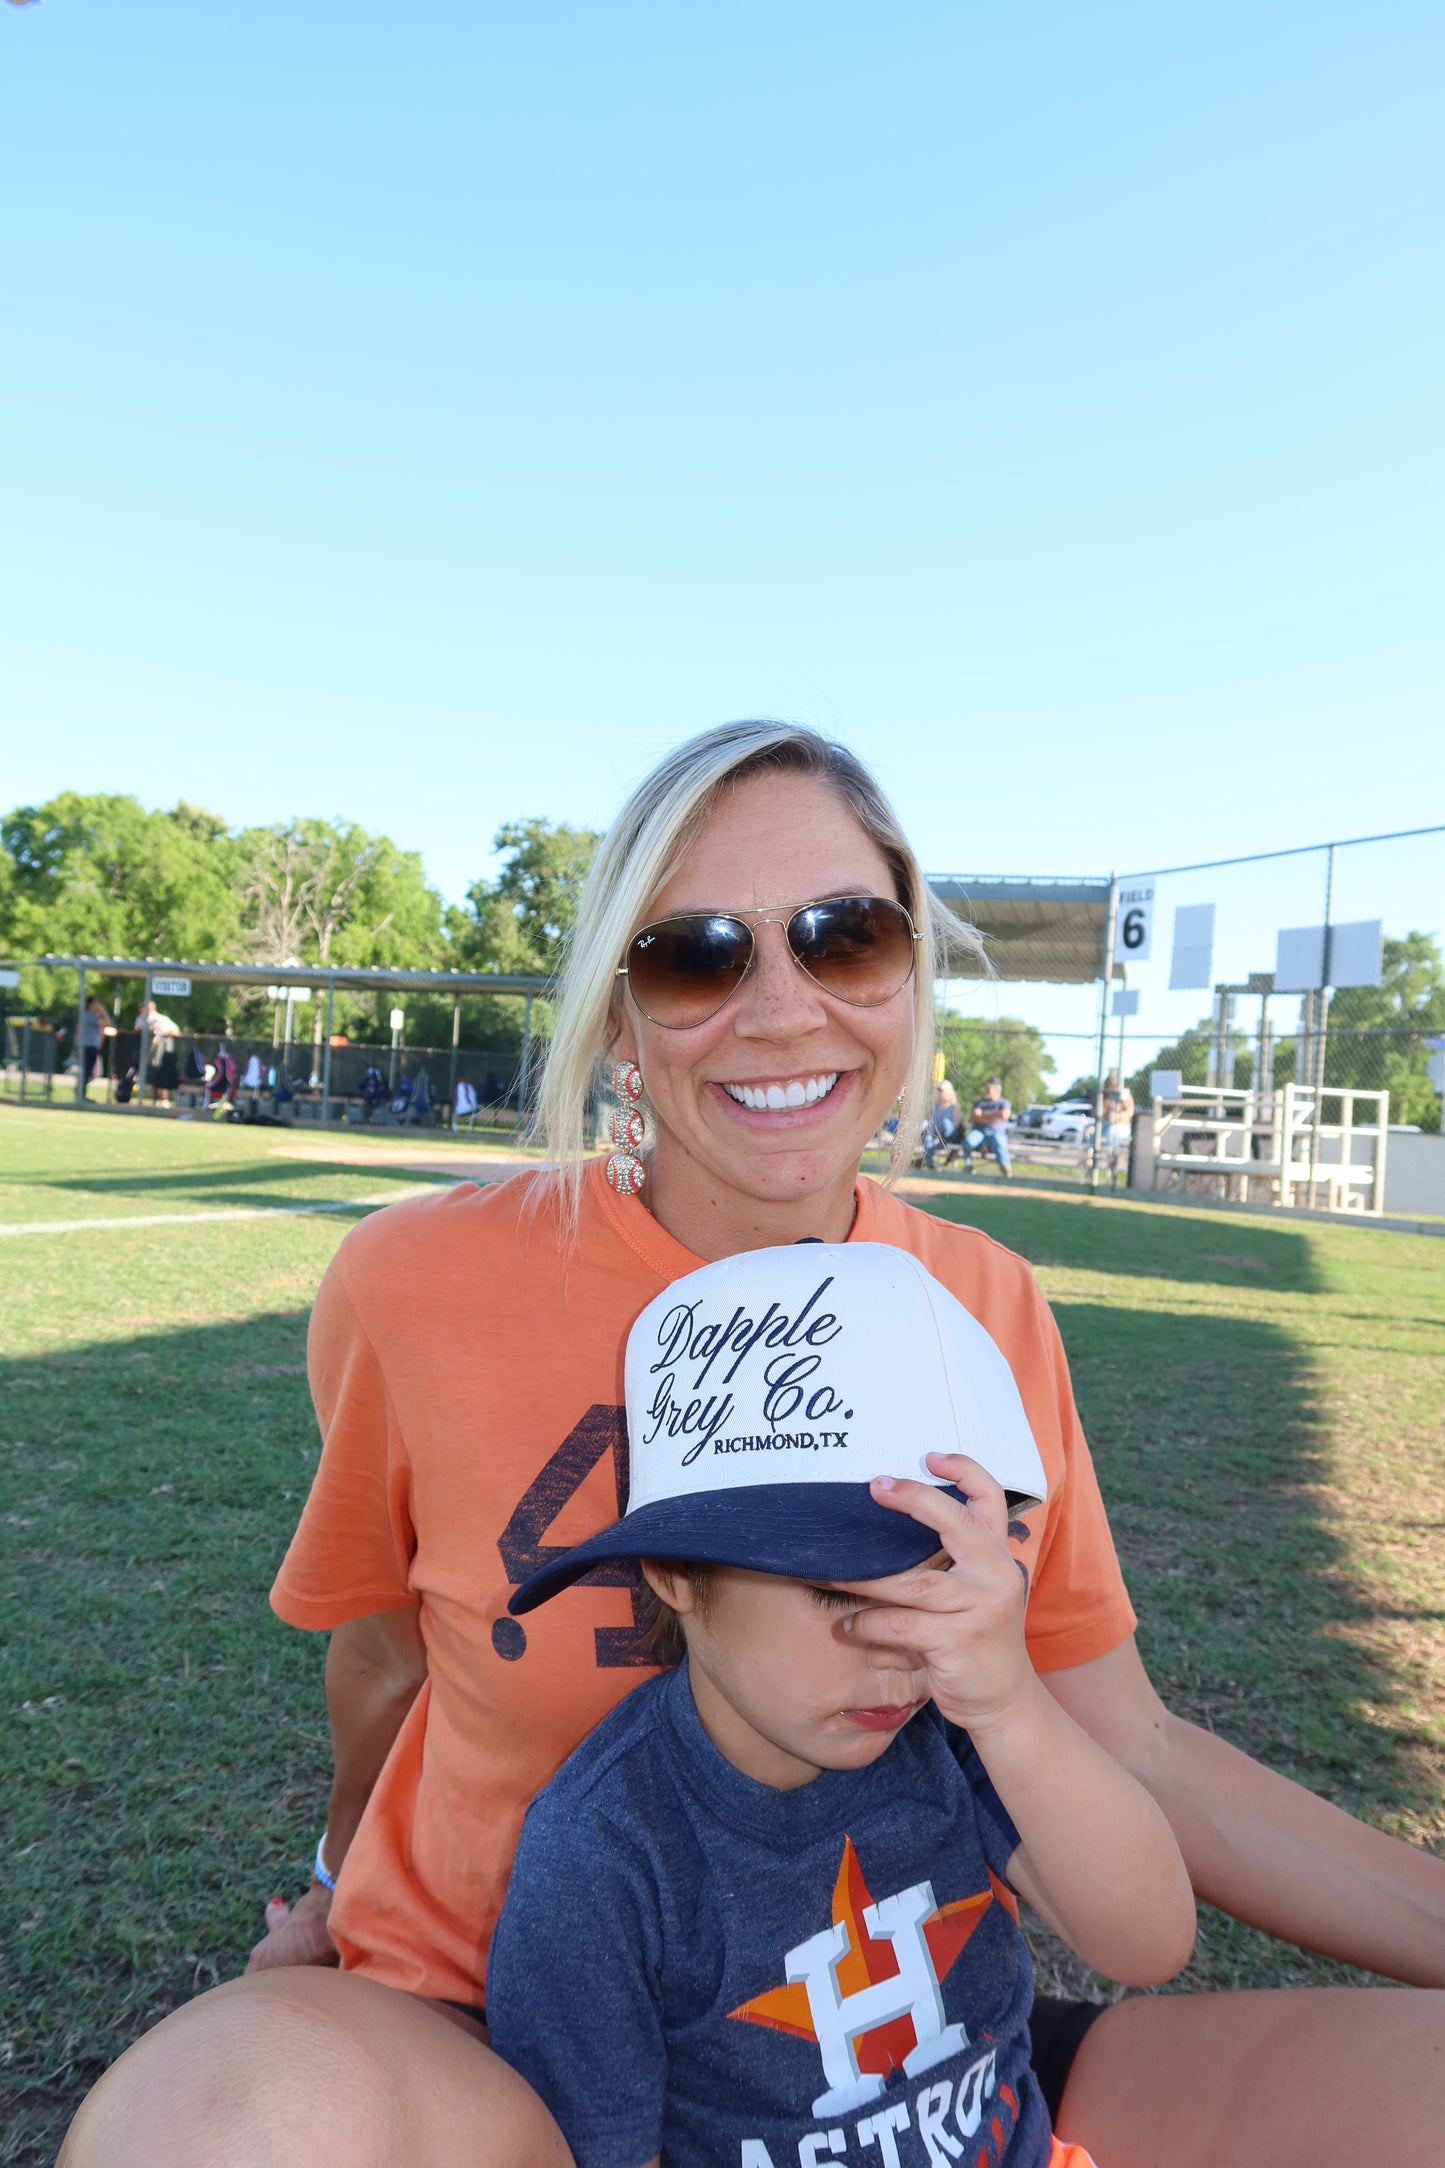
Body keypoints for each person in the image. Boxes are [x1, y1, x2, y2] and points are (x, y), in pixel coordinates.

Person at [61, 721, 1445, 2168]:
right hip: (503, 2052)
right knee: (210, 2128)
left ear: (908, 975)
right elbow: (385, 1658)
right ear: (613, 1011)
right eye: (696, 955)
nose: (783, 1010)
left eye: (845, 938)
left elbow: (1125, 1736)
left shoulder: (982, 1302)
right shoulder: (417, 1282)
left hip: (911, 2052)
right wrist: (331, 1893)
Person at [487, 1241, 1195, 2168]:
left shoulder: (955, 1727)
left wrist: (1014, 1705)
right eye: (841, 1592)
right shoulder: (603, 1855)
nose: (905, 1648)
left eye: (938, 1583)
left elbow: (1147, 1942)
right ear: (673, 1573)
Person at [963, 1078, 1012, 1177]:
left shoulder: (1004, 1103)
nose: (986, 1090)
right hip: (980, 1132)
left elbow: (1004, 1115)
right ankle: (968, 1166)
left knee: (1000, 1142)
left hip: (996, 1133)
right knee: (968, 1141)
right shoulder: (980, 1103)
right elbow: (975, 1117)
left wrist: (984, 1115)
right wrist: (995, 1116)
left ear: (997, 1089)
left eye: (989, 1088)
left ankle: (1005, 1167)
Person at [1097, 1074, 1134, 1178]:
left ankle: (1112, 1159)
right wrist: (1106, 1110)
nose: (1110, 1089)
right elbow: (1099, 1113)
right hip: (1106, 1125)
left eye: (1112, 1086)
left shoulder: (1125, 1096)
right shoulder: (1104, 1096)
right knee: (1091, 1133)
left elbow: (1130, 1112)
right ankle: (1089, 1159)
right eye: (1109, 1087)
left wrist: (1119, 1116)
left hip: (1122, 1127)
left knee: (1112, 1131)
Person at [78, 994, 114, 1099]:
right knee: (87, 1071)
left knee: (89, 1071)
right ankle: (81, 1095)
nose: (97, 1005)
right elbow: (108, 1022)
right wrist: (103, 1011)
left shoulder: (92, 1016)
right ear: (90, 1004)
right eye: (95, 1003)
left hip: (91, 1047)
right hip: (88, 1047)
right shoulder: (89, 1016)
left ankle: (81, 1094)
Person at [922, 1077, 963, 1168]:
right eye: (938, 1090)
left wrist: (939, 1133)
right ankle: (929, 1164)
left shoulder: (954, 1107)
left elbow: (956, 1124)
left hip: (949, 1136)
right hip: (935, 1135)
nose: (939, 1092)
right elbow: (926, 1120)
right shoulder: (934, 1106)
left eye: (941, 1090)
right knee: (928, 1138)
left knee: (946, 1123)